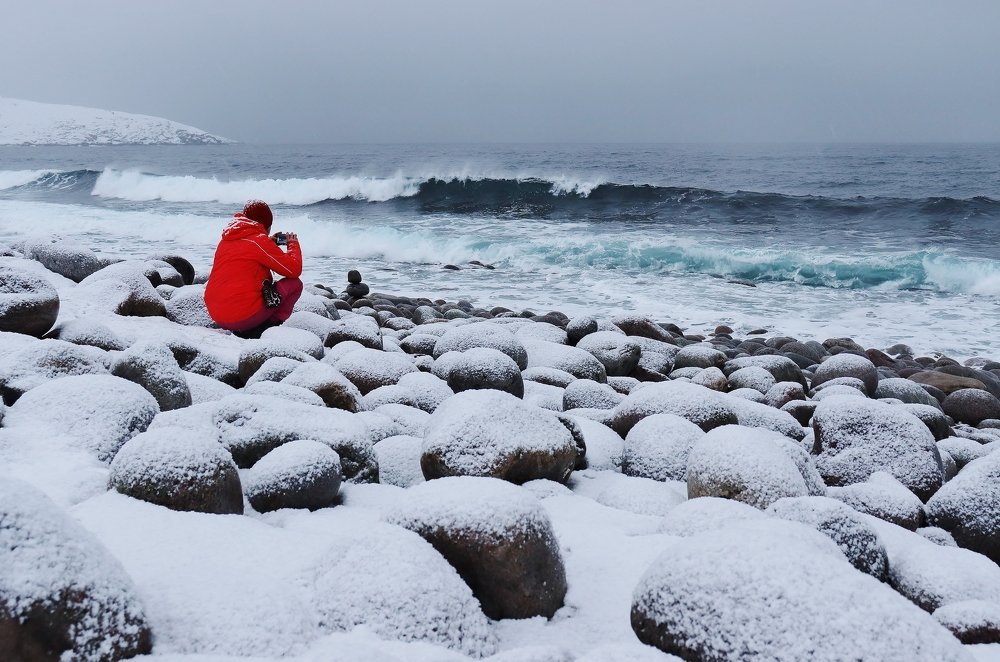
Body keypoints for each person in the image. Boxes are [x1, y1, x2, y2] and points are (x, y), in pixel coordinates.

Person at [204, 200, 303, 338]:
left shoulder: (226, 239)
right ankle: (269, 326)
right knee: (295, 284)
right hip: (243, 317)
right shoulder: (259, 242)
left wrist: (269, 242)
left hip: (216, 314)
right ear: (265, 224)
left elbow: (248, 251)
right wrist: (293, 244)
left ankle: (248, 324)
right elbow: (294, 269)